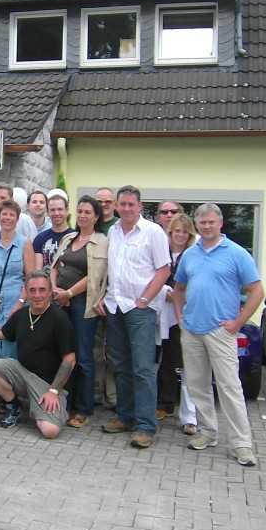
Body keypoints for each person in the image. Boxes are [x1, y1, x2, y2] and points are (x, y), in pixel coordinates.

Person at [172, 203, 264, 467]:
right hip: (192, 330)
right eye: (202, 223)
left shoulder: (236, 253)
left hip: (221, 332)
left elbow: (257, 291)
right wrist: (181, 318)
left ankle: (242, 444)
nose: (207, 226)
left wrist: (238, 322)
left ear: (220, 223)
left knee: (230, 387)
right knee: (198, 385)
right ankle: (207, 432)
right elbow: (179, 289)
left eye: (211, 222)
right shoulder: (190, 254)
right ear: (197, 225)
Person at [98, 185, 171, 449]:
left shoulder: (153, 232)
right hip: (115, 307)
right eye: (123, 204)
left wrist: (144, 300)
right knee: (120, 365)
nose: (127, 208)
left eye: (132, 204)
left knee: (142, 368)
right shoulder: (114, 232)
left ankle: (145, 426)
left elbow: (163, 270)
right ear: (117, 206)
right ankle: (125, 417)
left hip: (141, 309)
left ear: (140, 206)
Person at [0, 271, 77, 438]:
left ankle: (41, 409)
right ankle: (14, 406)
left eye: (42, 290)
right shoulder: (22, 315)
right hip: (23, 373)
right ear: (26, 292)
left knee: (50, 431)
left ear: (50, 292)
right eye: (32, 290)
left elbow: (70, 360)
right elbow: (2, 334)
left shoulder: (60, 318)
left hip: (48, 385)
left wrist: (53, 391)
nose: (37, 295)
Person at [50, 195, 108, 428]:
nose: (83, 215)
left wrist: (69, 294)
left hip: (83, 305)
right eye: (80, 211)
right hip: (60, 303)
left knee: (83, 356)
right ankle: (66, 402)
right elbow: (55, 266)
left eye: (88, 212)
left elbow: (94, 276)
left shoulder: (102, 242)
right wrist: (54, 289)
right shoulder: (68, 239)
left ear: (96, 216)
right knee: (64, 354)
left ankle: (83, 408)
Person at [156, 213, 198, 430]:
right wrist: (165, 292)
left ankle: (189, 416)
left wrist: (179, 296)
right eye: (176, 231)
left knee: (182, 363)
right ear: (170, 233)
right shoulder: (161, 251)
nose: (180, 235)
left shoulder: (193, 255)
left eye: (184, 232)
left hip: (183, 316)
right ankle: (164, 403)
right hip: (160, 312)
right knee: (162, 361)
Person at [0, 200, 34, 359]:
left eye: (12, 215)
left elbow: (30, 278)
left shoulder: (25, 243)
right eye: (4, 214)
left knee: (12, 349)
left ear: (17, 219)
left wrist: (21, 303)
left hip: (15, 304)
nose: (7, 218)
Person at [93, 187, 120, 409]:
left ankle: (113, 397)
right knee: (94, 351)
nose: (104, 204)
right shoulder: (90, 226)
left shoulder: (118, 228)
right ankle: (95, 394)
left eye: (108, 201)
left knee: (113, 350)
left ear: (115, 203)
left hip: (113, 298)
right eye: (100, 201)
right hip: (93, 297)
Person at [33, 194, 74, 271]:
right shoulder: (40, 238)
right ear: (47, 212)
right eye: (52, 210)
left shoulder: (75, 237)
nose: (56, 213)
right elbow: (38, 270)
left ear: (67, 211)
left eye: (60, 209)